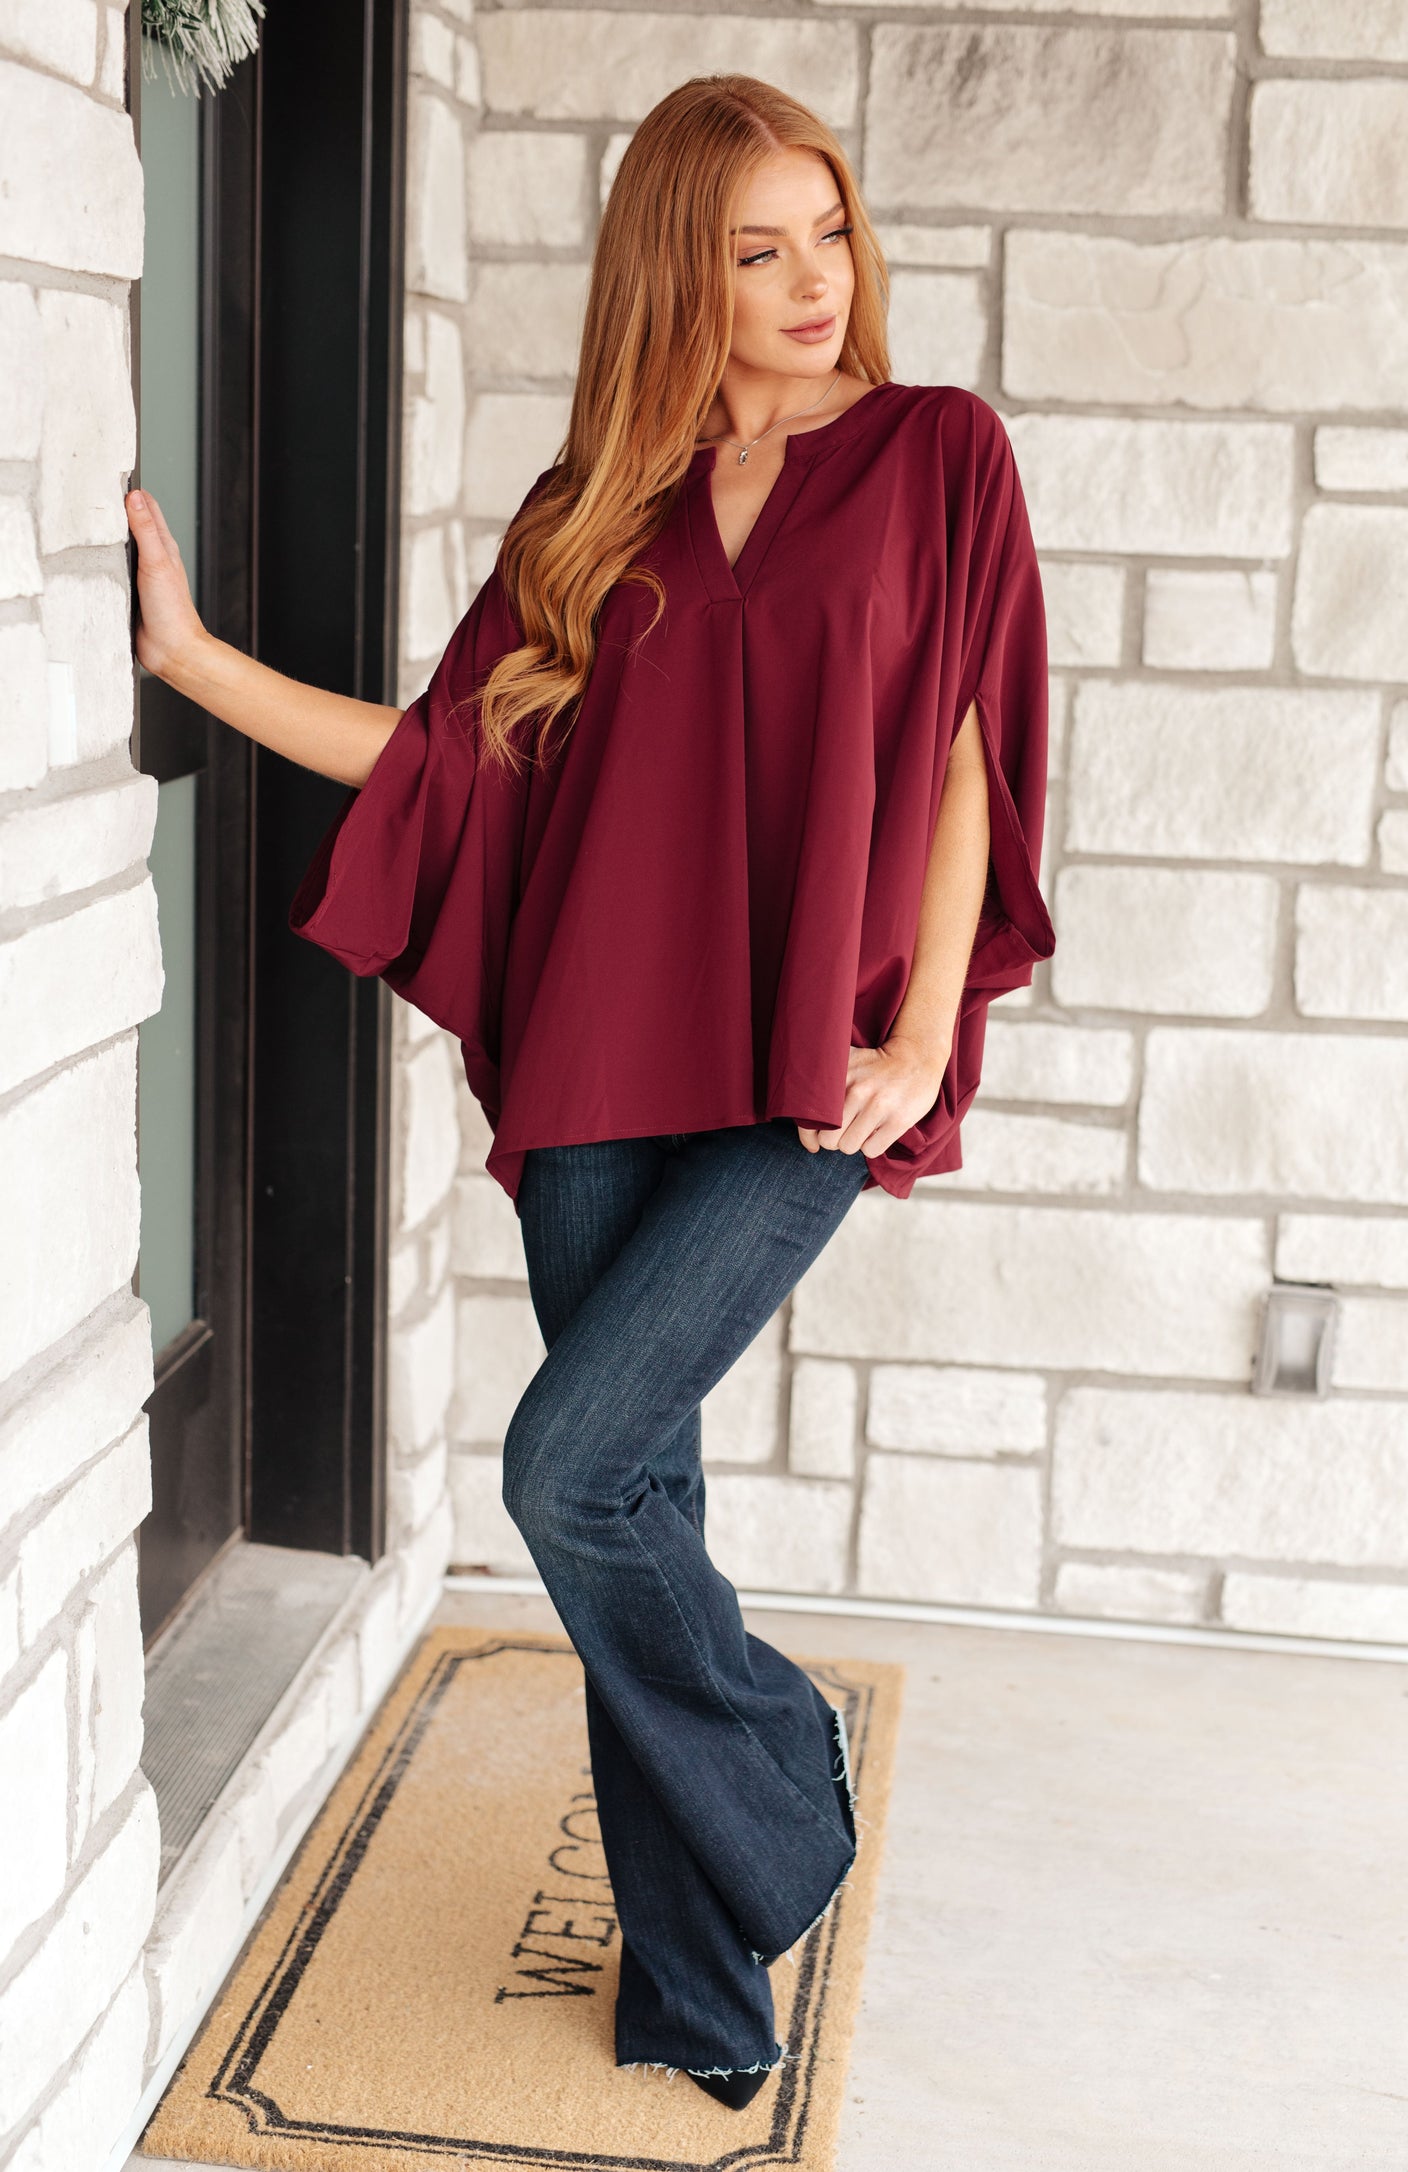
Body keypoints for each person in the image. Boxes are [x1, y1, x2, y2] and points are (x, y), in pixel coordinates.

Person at [126, 73, 1055, 2113]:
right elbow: (445, 760)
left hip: (806, 1075)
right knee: (641, 1496)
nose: (813, 281)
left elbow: (969, 755)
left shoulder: (936, 453)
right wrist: (193, 665)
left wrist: (922, 1035)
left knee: (564, 1472)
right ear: (673, 276)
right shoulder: (592, 507)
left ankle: (782, 1766)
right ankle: (701, 1995)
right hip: (603, 1062)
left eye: (828, 233)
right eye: (757, 249)